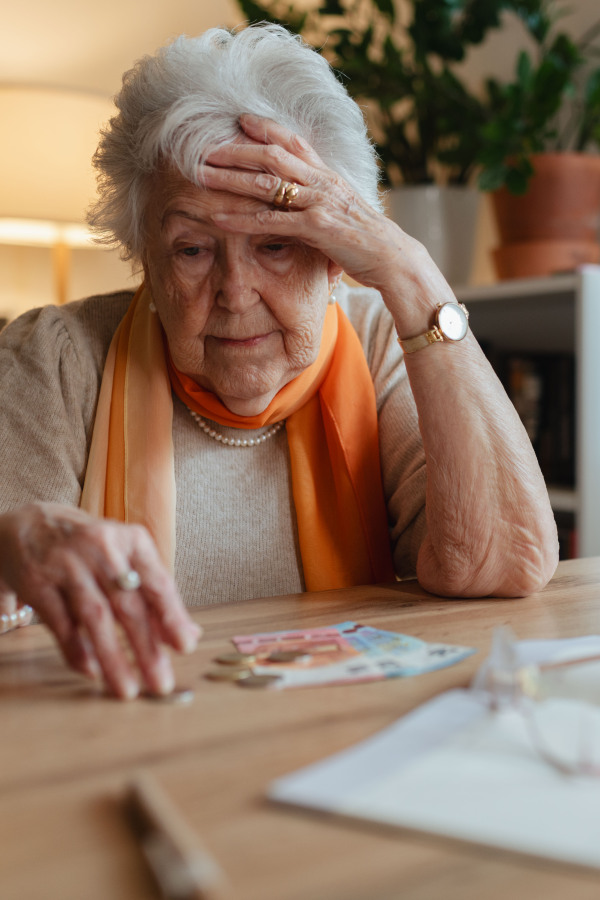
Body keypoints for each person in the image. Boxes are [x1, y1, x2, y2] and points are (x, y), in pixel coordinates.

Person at [0, 24, 558, 700]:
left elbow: (500, 565)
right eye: (192, 249)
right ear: (142, 251)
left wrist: (410, 271)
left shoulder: (388, 342)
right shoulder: (57, 357)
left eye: (277, 244)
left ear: (337, 252)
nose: (236, 295)